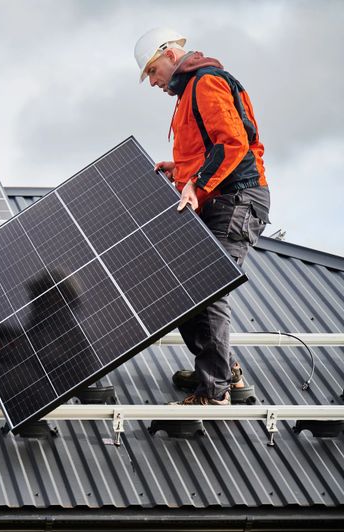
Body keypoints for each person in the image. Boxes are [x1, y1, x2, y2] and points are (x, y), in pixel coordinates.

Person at [134, 28, 271, 405]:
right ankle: (224, 369)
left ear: (169, 54)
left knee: (207, 288)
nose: (153, 83)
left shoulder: (206, 81)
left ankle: (215, 390)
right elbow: (205, 150)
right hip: (219, 199)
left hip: (236, 200)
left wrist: (195, 183)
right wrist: (179, 170)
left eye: (152, 72)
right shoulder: (188, 93)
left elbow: (232, 143)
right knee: (184, 289)